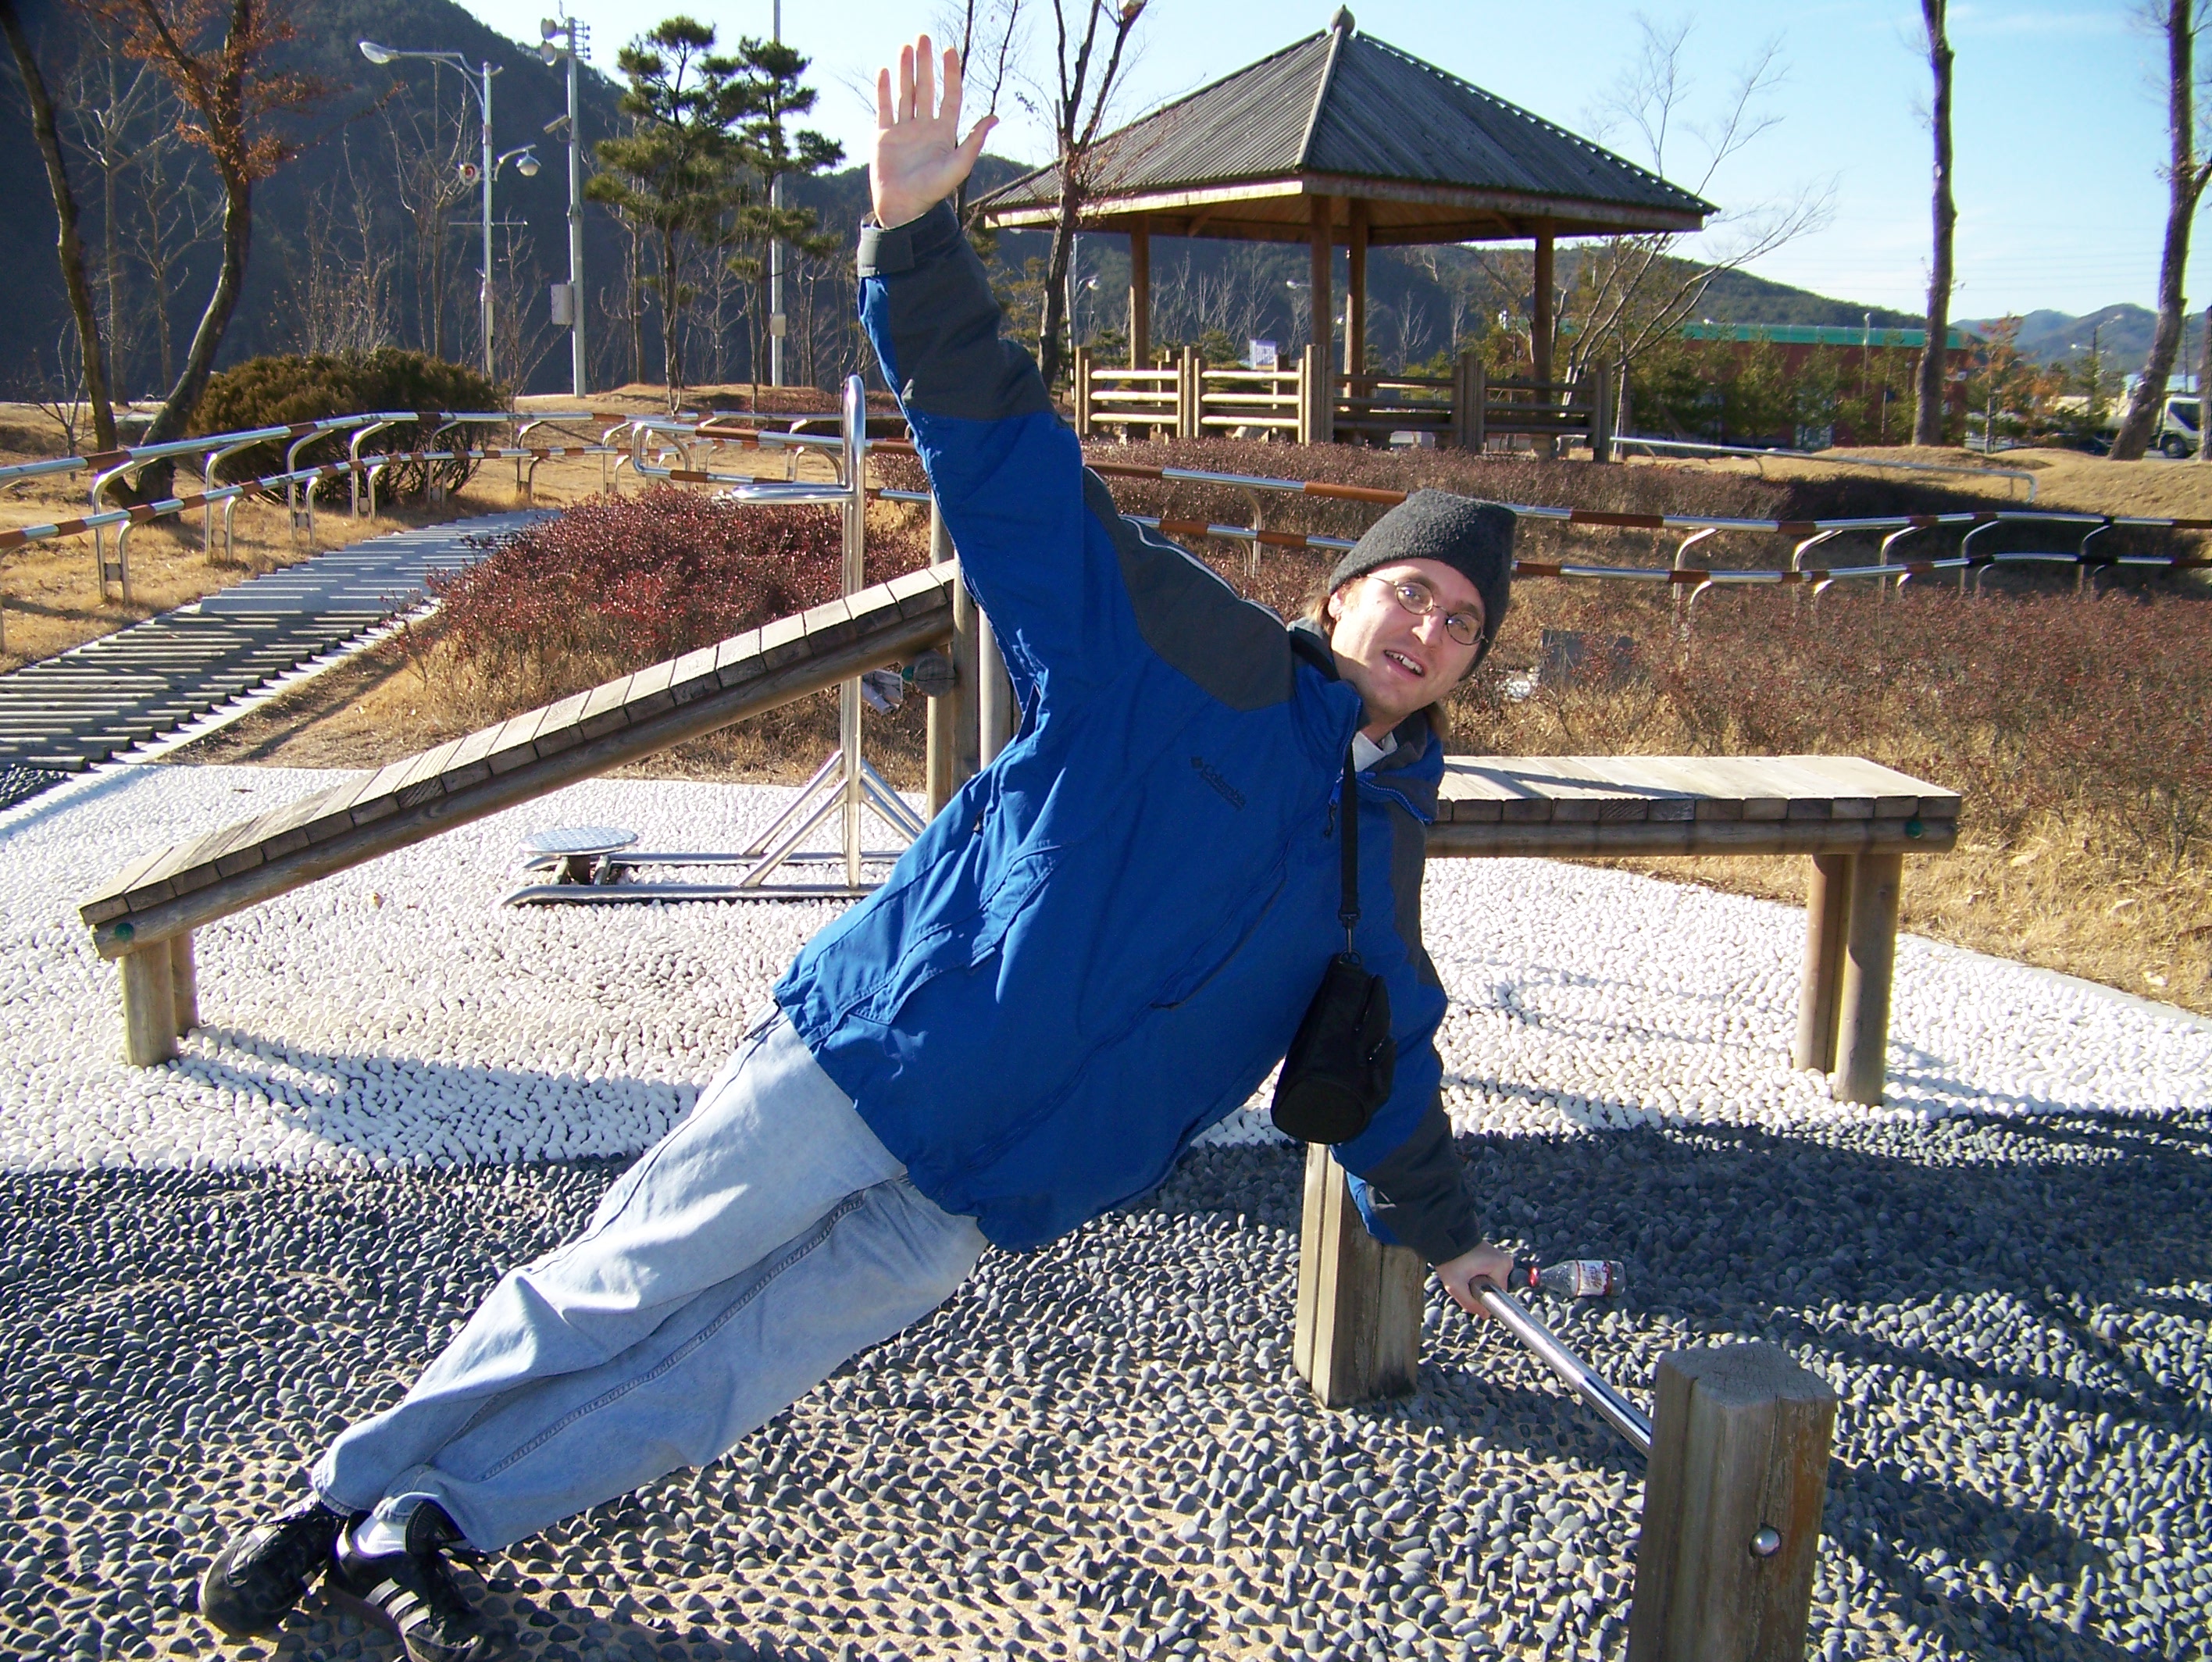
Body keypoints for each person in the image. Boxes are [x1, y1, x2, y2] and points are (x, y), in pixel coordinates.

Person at [198, 34, 1518, 1662]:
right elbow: (1018, 478)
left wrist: (1446, 1229)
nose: (1429, 629)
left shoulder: (1384, 843)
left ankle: (437, 1520)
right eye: (1413, 591)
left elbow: (1382, 1052)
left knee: (717, 1379)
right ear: (1345, 590)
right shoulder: (1186, 651)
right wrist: (913, 241)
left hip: (995, 1183)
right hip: (877, 1054)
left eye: (1462, 624)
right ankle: (338, 1496)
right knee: (625, 1281)